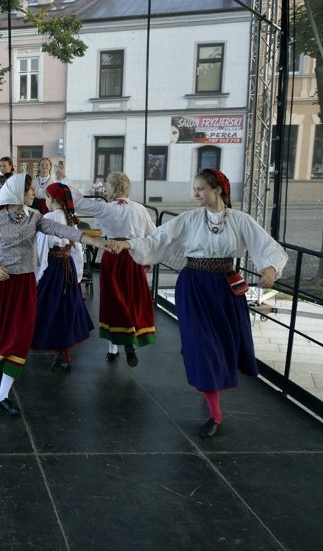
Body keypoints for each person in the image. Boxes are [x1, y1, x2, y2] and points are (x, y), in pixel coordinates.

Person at [107, 168, 288, 438]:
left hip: (225, 288)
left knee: (222, 345)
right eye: (194, 188)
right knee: (202, 346)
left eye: (201, 188)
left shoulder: (240, 220)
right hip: (194, 287)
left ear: (218, 190)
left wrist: (270, 268)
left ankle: (210, 386)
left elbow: (268, 246)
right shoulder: (190, 219)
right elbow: (158, 238)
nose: (195, 194)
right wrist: (127, 245)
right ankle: (215, 412)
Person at [0, 174, 109, 415]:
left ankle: (2, 395)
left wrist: (92, 240)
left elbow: (59, 228)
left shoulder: (34, 217)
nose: (34, 195)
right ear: (17, 193)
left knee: (19, 337)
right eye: (30, 192)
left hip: (24, 285)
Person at [72, 172, 157, 367]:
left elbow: (80, 203)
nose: (105, 189)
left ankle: (113, 349)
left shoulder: (106, 208)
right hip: (133, 256)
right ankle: (129, 340)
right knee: (132, 299)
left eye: (108, 186)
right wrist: (148, 259)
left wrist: (66, 184)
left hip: (112, 255)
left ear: (115, 188)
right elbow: (153, 235)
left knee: (113, 300)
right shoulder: (140, 209)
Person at [31, 183, 94, 372]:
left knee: (44, 309)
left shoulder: (49, 218)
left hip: (52, 269)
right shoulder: (70, 218)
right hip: (68, 268)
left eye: (47, 198)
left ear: (52, 199)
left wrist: (37, 276)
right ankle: (63, 353)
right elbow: (77, 250)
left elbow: (41, 251)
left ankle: (28, 347)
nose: (46, 201)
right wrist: (78, 276)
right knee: (64, 310)